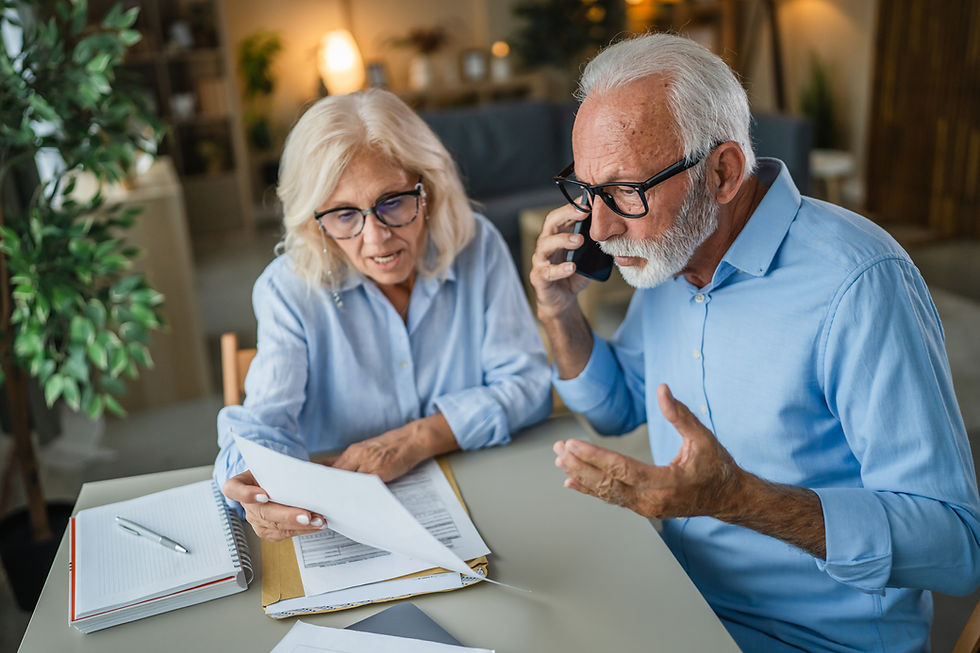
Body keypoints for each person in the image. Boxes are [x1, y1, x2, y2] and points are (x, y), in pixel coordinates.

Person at [532, 33, 980, 652]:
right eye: (588, 191)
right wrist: (560, 314)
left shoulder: (860, 283)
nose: (601, 228)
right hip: (680, 601)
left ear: (722, 173)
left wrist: (739, 500)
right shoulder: (665, 252)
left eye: (626, 191)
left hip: (816, 640)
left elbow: (956, 549)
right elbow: (617, 408)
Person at [216, 89, 552, 542]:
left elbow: (529, 386)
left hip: (481, 498)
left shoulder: (479, 247)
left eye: (393, 201)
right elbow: (263, 425)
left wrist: (419, 439)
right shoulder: (288, 288)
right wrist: (250, 481)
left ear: (428, 187)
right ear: (314, 219)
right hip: (339, 524)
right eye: (342, 214)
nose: (376, 239)